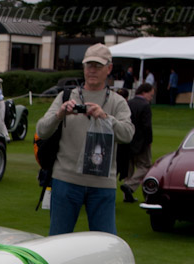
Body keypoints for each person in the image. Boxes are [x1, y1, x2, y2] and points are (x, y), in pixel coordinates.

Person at [34, 43, 134, 235]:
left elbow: (128, 134)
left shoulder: (117, 101)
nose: (92, 70)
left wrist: (105, 118)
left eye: (98, 65)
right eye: (89, 65)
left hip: (102, 183)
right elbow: (42, 129)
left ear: (109, 68)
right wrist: (60, 114)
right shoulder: (66, 96)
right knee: (58, 241)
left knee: (105, 244)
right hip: (66, 179)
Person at [121, 83, 154, 203]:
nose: (151, 98)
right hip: (141, 142)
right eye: (150, 95)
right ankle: (129, 186)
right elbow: (147, 127)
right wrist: (149, 141)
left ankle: (127, 195)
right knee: (145, 166)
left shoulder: (129, 103)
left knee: (129, 168)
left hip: (128, 140)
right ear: (144, 93)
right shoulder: (145, 105)